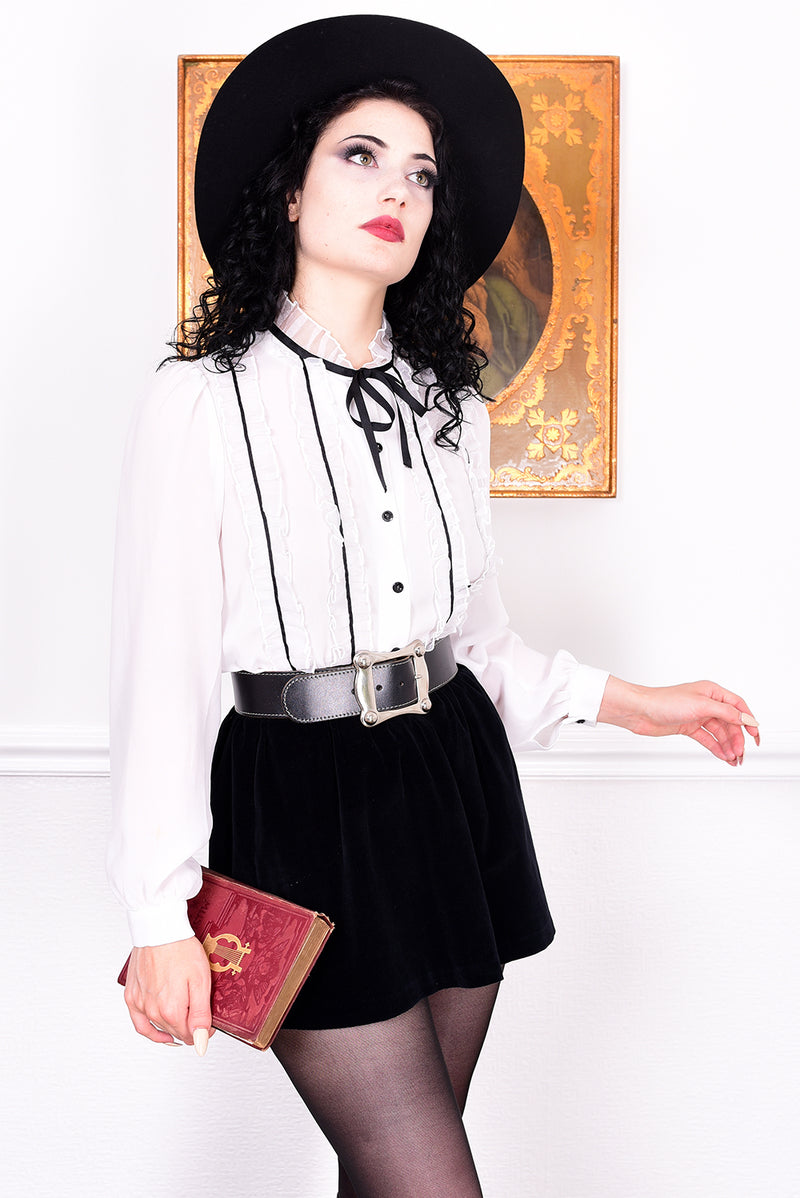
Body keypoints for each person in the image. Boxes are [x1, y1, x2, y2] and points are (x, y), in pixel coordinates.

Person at [107, 17, 759, 1198]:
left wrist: (634, 704)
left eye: (419, 175)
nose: (395, 191)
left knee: (397, 1171)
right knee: (423, 1178)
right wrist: (158, 912)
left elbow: (481, 647)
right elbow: (157, 668)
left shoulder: (445, 406)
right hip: (296, 799)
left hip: (448, 780)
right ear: (289, 192)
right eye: (360, 156)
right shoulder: (201, 402)